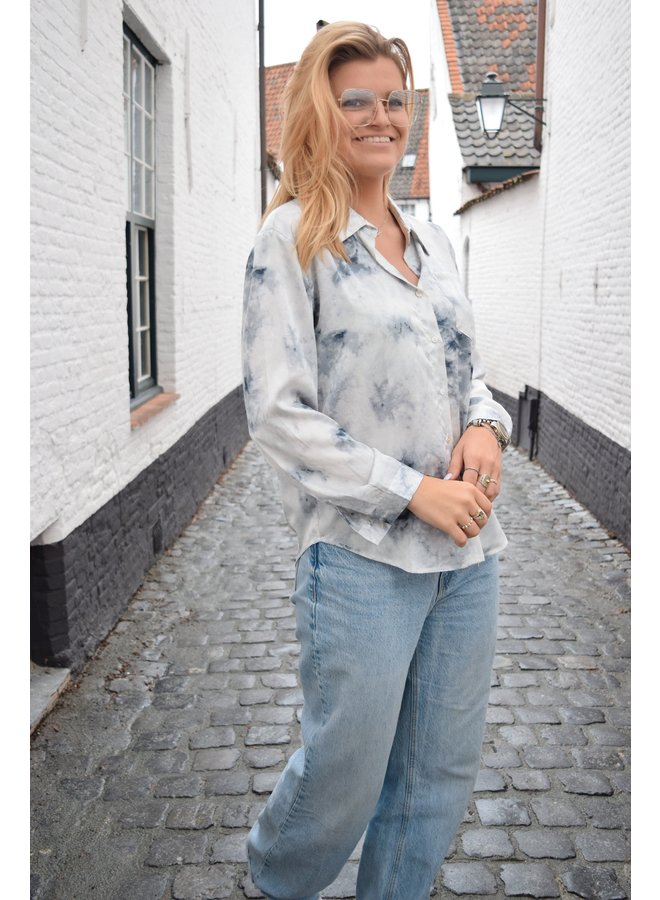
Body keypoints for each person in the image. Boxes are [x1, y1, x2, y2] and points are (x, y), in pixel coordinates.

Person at [241, 20, 513, 900]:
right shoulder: (291, 241)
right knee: (341, 783)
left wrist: (486, 427)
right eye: (354, 100)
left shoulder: (432, 241)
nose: (378, 117)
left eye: (394, 100)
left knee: (435, 781)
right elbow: (279, 416)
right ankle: (273, 886)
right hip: (358, 563)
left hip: (467, 560)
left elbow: (469, 370)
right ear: (318, 113)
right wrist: (412, 493)